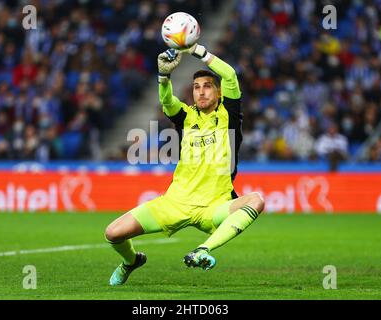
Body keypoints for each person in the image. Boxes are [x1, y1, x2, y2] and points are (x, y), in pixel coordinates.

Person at [105, 43, 265, 286]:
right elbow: (167, 100)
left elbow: (230, 74)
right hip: (174, 203)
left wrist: (197, 50)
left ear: (219, 92)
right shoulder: (186, 116)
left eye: (207, 87)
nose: (200, 92)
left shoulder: (229, 115)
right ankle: (131, 261)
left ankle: (202, 250)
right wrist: (163, 76)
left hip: (213, 206)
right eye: (196, 87)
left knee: (256, 200)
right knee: (113, 233)